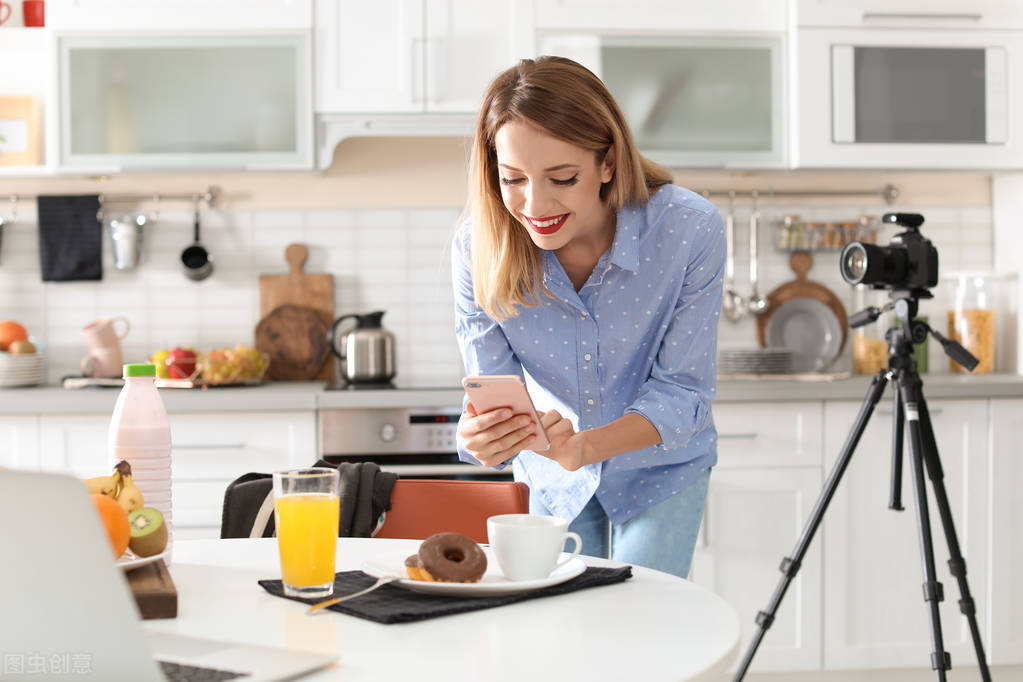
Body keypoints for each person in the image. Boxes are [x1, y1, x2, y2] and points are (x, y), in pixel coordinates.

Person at [451, 56, 725, 579]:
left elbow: (683, 394)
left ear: (608, 163)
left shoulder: (689, 230)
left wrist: (586, 446)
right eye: (513, 179)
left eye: (562, 177)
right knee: (559, 620)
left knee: (641, 616)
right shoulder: (477, 250)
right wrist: (480, 435)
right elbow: (496, 393)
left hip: (660, 470)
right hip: (551, 473)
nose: (535, 204)